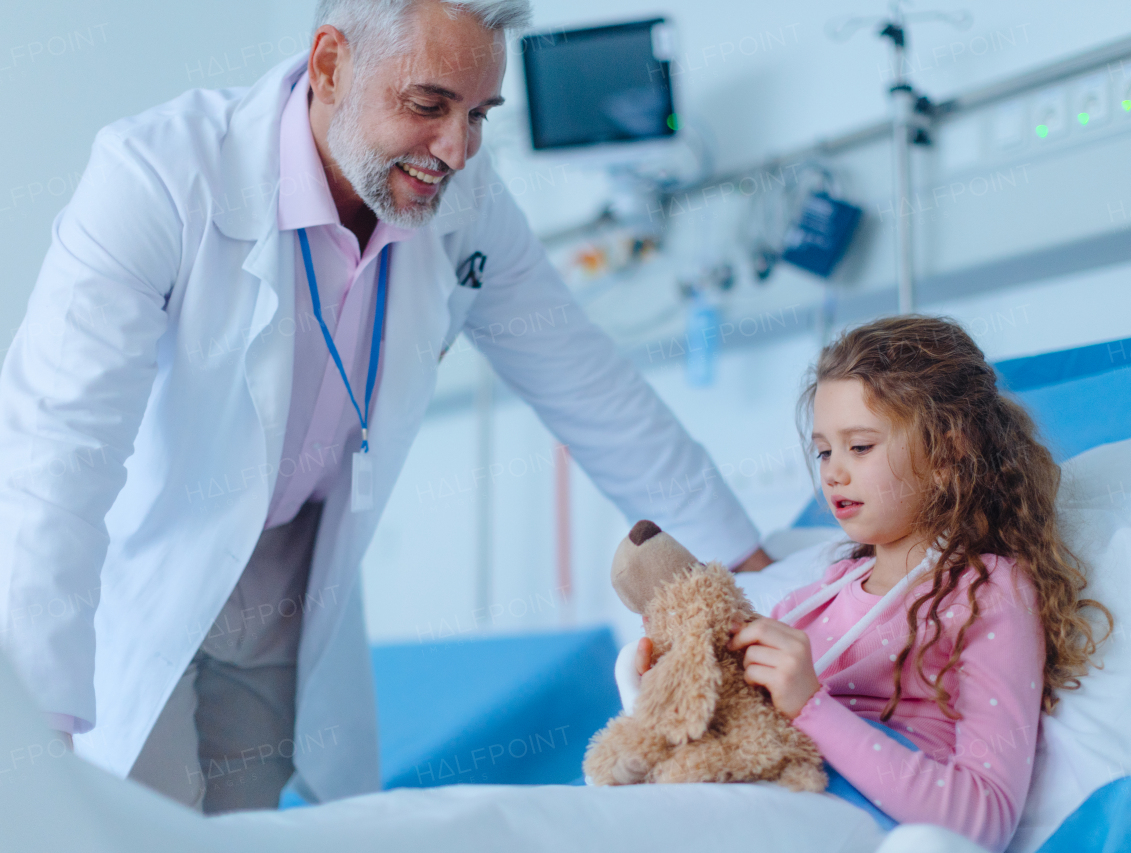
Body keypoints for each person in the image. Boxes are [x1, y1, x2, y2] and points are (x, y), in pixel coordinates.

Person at [0, 0, 770, 814]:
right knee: (135, 820)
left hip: (289, 566)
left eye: (478, 115)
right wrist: (30, 720)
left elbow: (594, 389)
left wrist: (752, 570)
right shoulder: (157, 174)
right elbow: (58, 450)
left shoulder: (469, 205)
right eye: (428, 105)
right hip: (143, 557)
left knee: (243, 825)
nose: (456, 149)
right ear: (331, 64)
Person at [637, 316, 1112, 852]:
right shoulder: (818, 597)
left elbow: (984, 821)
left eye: (859, 447)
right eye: (824, 451)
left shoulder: (985, 592)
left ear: (947, 454)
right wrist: (669, 681)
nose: (834, 472)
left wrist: (812, 706)